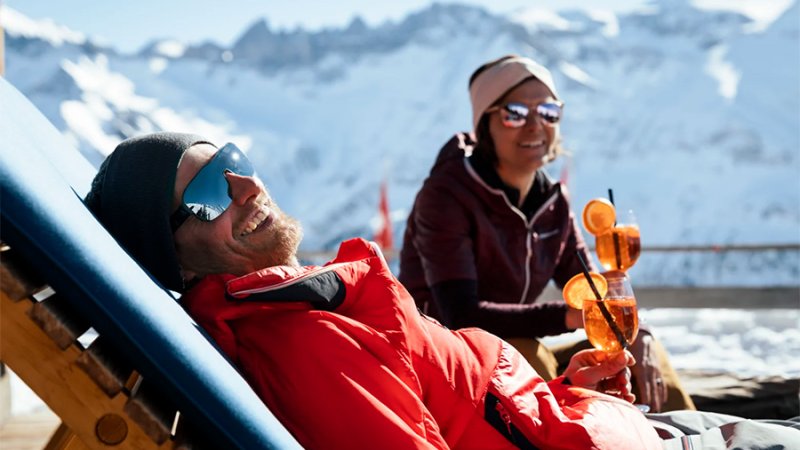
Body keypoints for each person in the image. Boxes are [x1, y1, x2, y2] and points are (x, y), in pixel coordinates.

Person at [84, 132, 800, 450]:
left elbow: (454, 397)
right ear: (175, 255)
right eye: (211, 193)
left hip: (563, 417)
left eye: (233, 161)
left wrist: (566, 393)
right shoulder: (302, 343)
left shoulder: (294, 307)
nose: (247, 186)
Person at [398, 55, 691, 413]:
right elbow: (461, 314)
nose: (536, 126)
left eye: (549, 111)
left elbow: (592, 288)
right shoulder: (446, 196)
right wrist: (569, 317)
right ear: (484, 123)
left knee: (639, 357)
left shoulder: (554, 203)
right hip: (440, 358)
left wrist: (637, 332)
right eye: (516, 113)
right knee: (528, 353)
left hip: (510, 353)